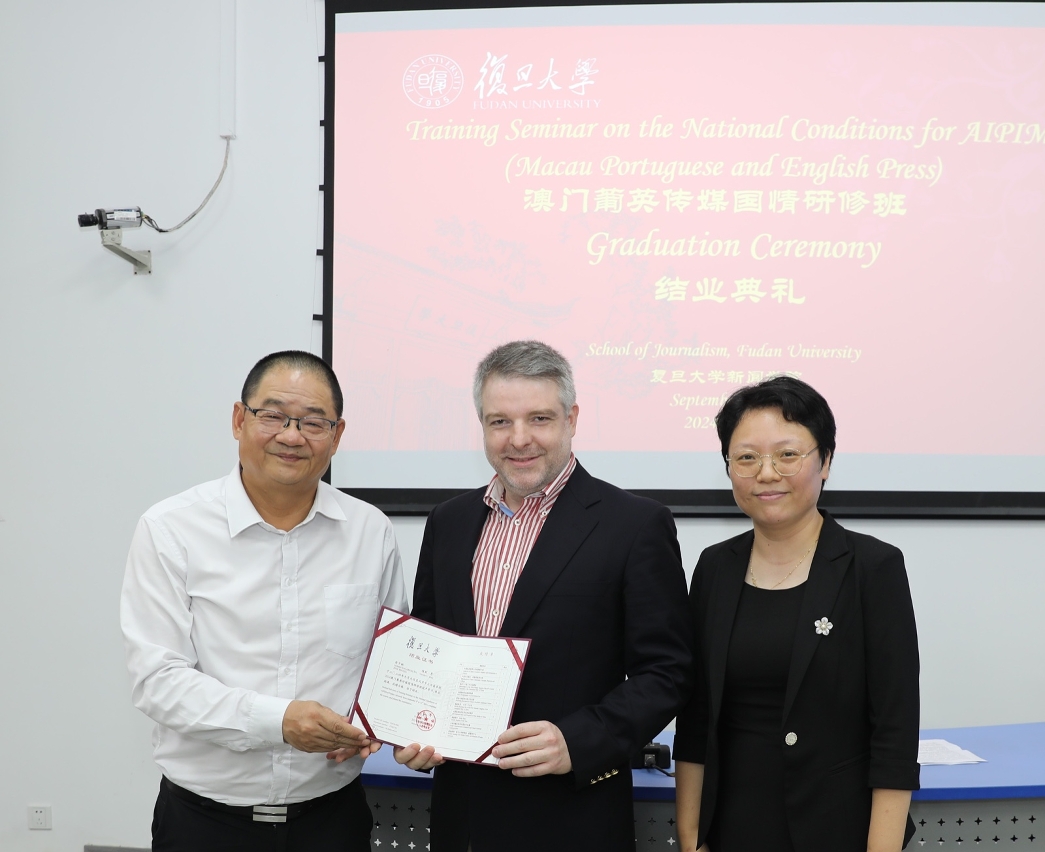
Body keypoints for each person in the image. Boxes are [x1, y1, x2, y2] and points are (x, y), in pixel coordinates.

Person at [398, 340, 693, 852]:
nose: (519, 439)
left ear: (571, 419)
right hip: (460, 820)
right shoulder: (448, 522)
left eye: (539, 419)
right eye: (500, 422)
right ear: (482, 424)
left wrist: (578, 740)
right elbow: (431, 653)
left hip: (571, 820)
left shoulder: (634, 525)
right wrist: (413, 728)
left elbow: (667, 672)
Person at [121, 350, 407, 852]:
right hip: (204, 824)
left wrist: (383, 722)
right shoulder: (171, 529)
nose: (291, 436)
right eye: (272, 415)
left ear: (337, 436)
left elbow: (392, 663)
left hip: (333, 819)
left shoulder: (370, 531)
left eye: (313, 422)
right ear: (239, 420)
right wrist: (279, 721)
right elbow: (158, 681)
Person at [673, 376, 920, 852]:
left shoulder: (873, 568)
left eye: (787, 455)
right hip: (733, 827)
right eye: (746, 458)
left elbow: (895, 732)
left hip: (838, 830)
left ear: (824, 461)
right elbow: (696, 721)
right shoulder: (714, 568)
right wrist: (691, 839)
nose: (766, 473)